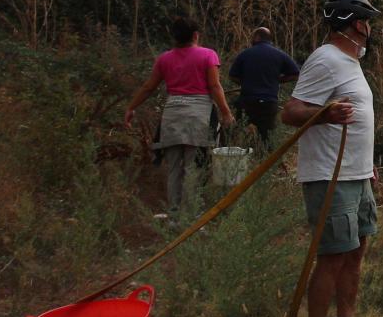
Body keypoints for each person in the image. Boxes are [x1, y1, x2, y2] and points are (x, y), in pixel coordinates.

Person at [281, 0, 382, 317]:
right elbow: (290, 111)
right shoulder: (325, 59)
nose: (370, 29)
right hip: (330, 175)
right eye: (367, 22)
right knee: (333, 255)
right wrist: (324, 114)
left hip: (357, 175)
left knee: (355, 252)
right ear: (357, 24)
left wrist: (367, 167)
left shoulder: (350, 62)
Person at [125, 17, 234, 216]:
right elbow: (214, 86)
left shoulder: (164, 59)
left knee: (174, 168)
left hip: (172, 114)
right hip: (198, 115)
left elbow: (149, 87)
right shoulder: (208, 55)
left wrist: (131, 107)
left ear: (174, 37)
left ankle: (174, 214)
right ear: (195, 35)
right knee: (194, 168)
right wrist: (226, 112)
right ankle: (191, 215)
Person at [227, 27, 300, 150]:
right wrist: (278, 80)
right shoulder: (279, 54)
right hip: (268, 103)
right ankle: (265, 157)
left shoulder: (245, 54)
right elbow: (295, 74)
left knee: (238, 132)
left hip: (247, 101)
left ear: (257, 37)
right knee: (267, 138)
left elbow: (232, 76)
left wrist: (245, 83)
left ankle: (238, 153)